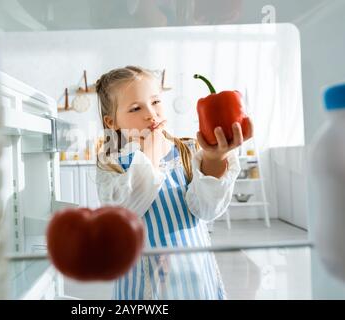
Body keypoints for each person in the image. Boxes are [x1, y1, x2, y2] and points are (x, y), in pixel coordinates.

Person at [95, 65, 253, 299]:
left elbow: (207, 210)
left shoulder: (188, 151)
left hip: (197, 279)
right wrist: (150, 152)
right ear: (112, 122)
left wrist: (215, 159)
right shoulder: (112, 164)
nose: (151, 113)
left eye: (156, 102)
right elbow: (126, 212)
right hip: (143, 286)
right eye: (136, 108)